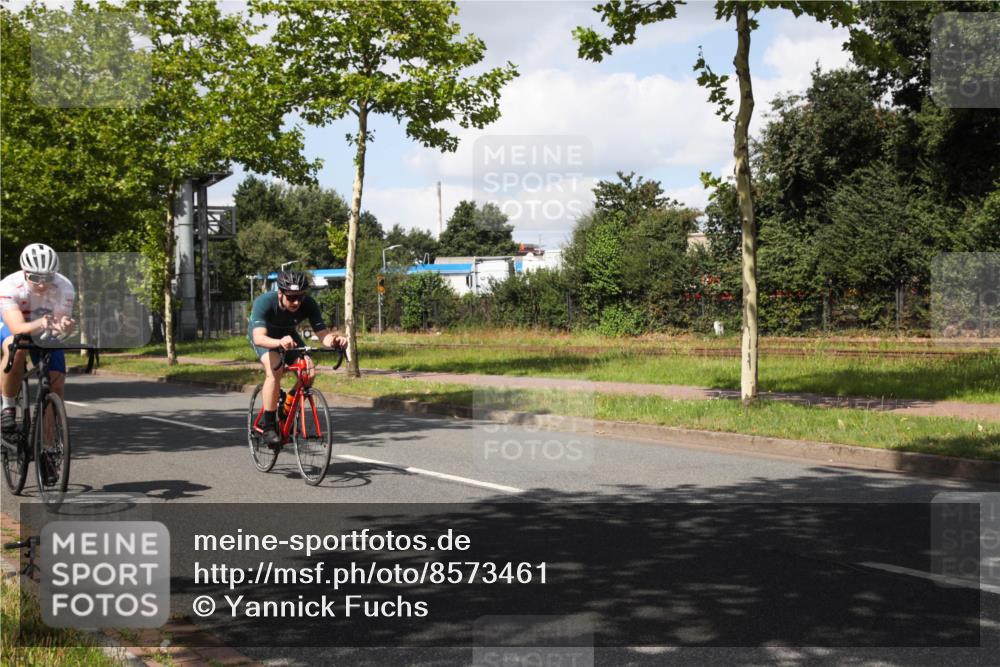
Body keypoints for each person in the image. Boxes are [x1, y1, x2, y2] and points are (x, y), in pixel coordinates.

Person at [248, 269, 346, 447]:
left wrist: (335, 341)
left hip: (288, 336)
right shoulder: (265, 302)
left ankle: (287, 406)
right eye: (291, 297)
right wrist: (278, 342)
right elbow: (258, 338)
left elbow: (323, 334)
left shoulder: (308, 303)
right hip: (266, 337)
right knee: (274, 370)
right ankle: (269, 425)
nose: (295, 302)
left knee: (308, 371)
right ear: (280, 293)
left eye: (299, 297)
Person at [1, 244, 76, 435]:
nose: (42, 284)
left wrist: (64, 325)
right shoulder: (9, 286)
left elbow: (59, 322)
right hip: (13, 322)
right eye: (35, 278)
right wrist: (42, 323)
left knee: (56, 382)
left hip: (43, 325)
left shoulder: (64, 286)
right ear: (25, 273)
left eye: (48, 278)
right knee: (17, 348)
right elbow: (17, 328)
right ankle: (7, 405)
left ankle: (48, 447)